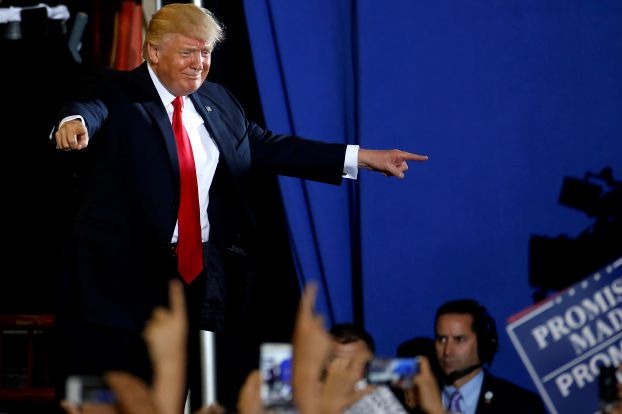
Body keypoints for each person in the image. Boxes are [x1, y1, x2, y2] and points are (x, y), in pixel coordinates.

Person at [51, 2, 429, 409]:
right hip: (122, 281)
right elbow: (90, 108)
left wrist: (361, 157)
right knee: (114, 392)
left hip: (196, 278)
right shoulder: (118, 91)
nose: (199, 64)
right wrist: (75, 124)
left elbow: (268, 147)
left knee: (183, 390)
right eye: (187, 53)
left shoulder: (219, 100)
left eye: (206, 53)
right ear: (153, 52)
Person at [433, 299, 546, 414]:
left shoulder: (522, 405)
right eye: (441, 339)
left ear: (483, 344)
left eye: (459, 340)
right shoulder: (417, 403)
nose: (447, 351)